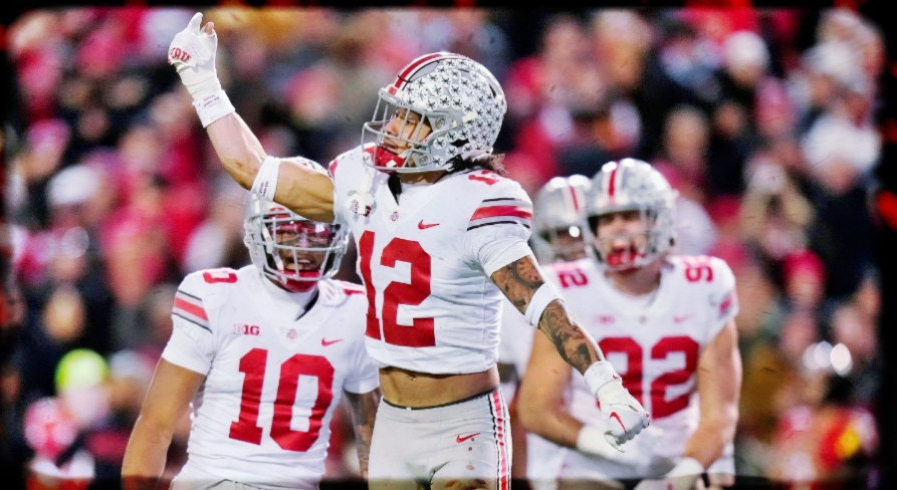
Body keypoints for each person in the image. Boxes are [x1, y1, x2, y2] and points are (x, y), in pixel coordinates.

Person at [166, 14, 649, 489]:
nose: (393, 126)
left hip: (463, 425)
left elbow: (540, 302)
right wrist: (202, 80)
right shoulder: (363, 177)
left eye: (412, 118)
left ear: (455, 134)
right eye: (396, 111)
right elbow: (253, 170)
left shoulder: (479, 200)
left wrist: (605, 383)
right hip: (394, 419)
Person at [122, 186, 381, 490]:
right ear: (260, 230)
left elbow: (371, 441)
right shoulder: (217, 296)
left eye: (317, 230)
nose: (305, 244)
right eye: (289, 230)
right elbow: (156, 424)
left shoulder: (354, 309)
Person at [516, 159, 742, 490]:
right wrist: (604, 444)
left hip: (679, 458)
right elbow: (536, 408)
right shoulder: (568, 291)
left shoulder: (705, 286)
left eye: (630, 215)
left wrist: (680, 475)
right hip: (594, 467)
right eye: (606, 219)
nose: (618, 228)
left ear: (660, 220)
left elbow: (719, 414)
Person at [498, 175, 591, 490]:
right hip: (555, 470)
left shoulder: (632, 294)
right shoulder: (513, 308)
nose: (579, 246)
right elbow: (502, 414)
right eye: (565, 235)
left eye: (586, 229)